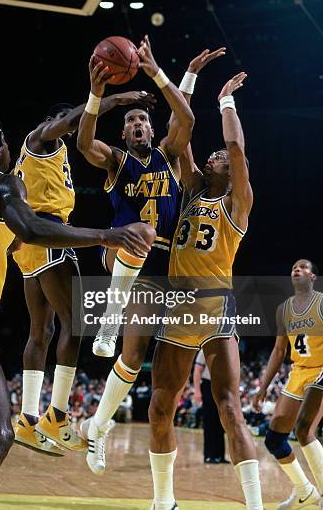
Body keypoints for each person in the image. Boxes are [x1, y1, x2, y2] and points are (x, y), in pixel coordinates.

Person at [0, 114, 151, 510]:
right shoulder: (4, 183)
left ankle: (43, 415)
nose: (10, 148)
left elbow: (1, 243)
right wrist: (105, 235)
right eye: (4, 141)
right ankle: (49, 416)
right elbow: (31, 230)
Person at [77, 36, 225, 475]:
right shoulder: (116, 161)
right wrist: (97, 94)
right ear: (123, 132)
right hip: (119, 248)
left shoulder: (169, 155)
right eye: (132, 121)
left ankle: (97, 426)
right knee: (138, 232)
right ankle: (108, 318)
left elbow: (187, 116)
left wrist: (175, 73)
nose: (139, 123)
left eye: (144, 118)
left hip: (165, 265)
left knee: (133, 356)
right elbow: (85, 142)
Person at [11, 90, 156, 454]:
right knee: (75, 323)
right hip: (48, 233)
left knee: (40, 331)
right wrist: (113, 100)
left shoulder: (51, 156)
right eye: (69, 123)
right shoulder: (39, 139)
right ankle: (57, 416)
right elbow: (71, 121)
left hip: (29, 244)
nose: (74, 129)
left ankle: (28, 420)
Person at [148, 71, 264, 510]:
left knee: (229, 407)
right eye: (211, 156)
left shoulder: (237, 203)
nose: (216, 157)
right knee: (160, 406)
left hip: (215, 305)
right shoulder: (192, 189)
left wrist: (227, 103)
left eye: (221, 159)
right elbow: (181, 129)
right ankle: (164, 501)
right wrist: (187, 76)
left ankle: (254, 506)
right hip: (178, 306)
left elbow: (235, 148)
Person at [253, 259, 323, 509]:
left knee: (304, 429)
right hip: (298, 371)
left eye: (304, 267)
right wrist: (263, 387)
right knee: (274, 438)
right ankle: (305, 491)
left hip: (321, 370)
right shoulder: (283, 309)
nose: (297, 269)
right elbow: (279, 350)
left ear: (313, 277)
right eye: (294, 267)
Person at [193, 349, 229, 463]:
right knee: (210, 420)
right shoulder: (204, 350)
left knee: (220, 422)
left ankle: (220, 455)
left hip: (222, 386)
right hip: (208, 385)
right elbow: (197, 370)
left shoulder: (226, 351)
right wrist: (197, 391)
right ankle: (209, 455)